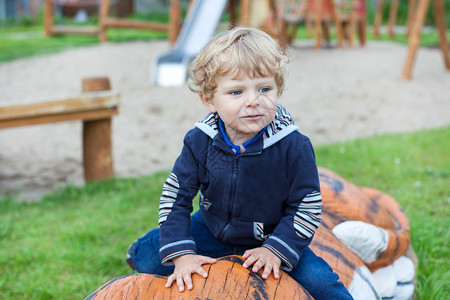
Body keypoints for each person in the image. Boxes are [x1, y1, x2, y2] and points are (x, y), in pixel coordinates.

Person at [126, 27, 353, 299]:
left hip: (271, 235)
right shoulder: (200, 141)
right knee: (150, 259)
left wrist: (276, 250)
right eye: (236, 92)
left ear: (278, 89)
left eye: (264, 88)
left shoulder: (294, 146)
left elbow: (306, 205)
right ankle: (140, 248)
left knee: (322, 285)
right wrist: (182, 253)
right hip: (211, 229)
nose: (253, 101)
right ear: (209, 99)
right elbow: (176, 196)